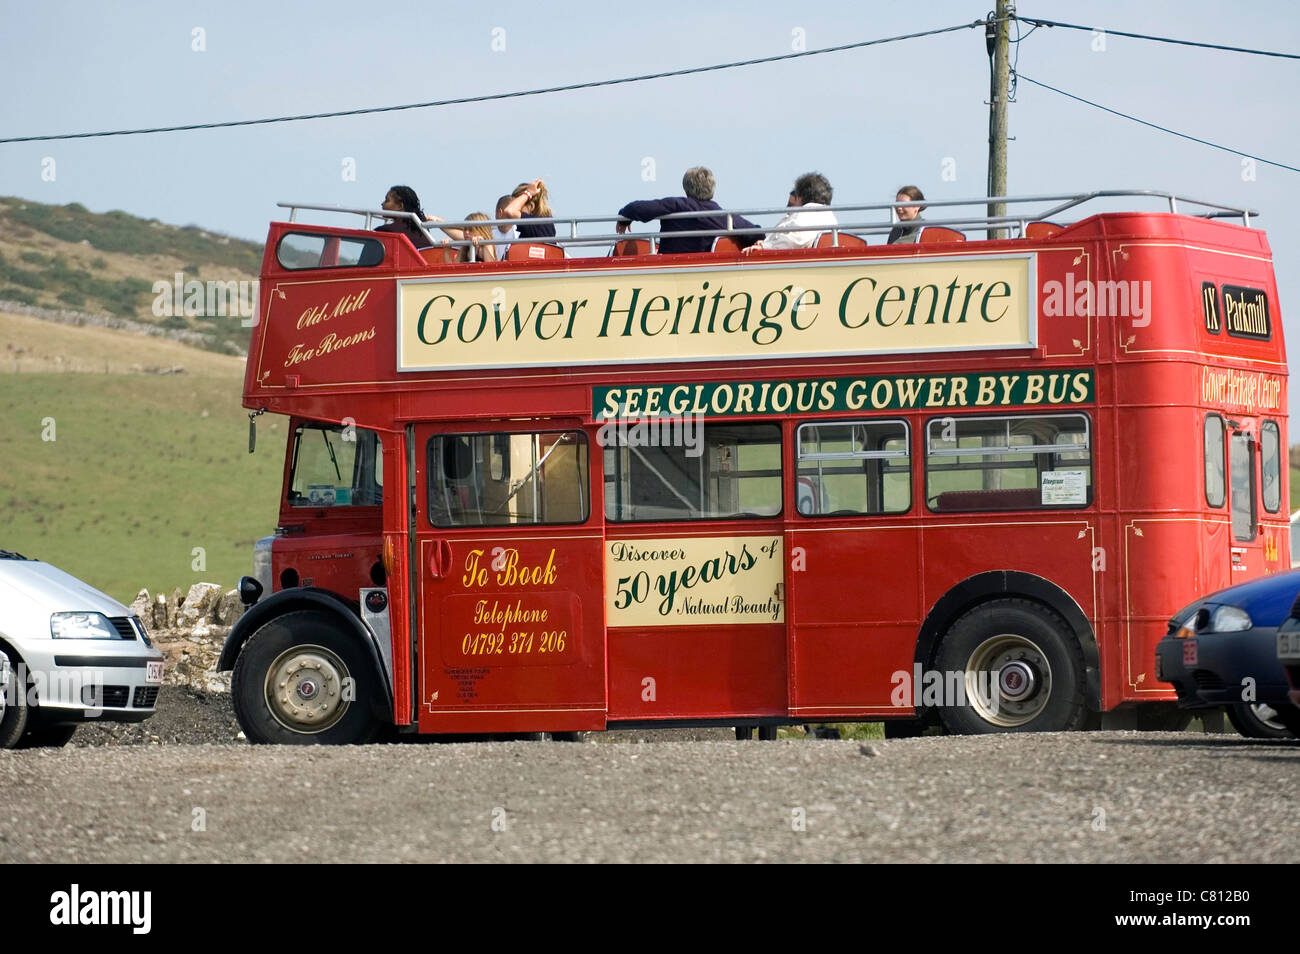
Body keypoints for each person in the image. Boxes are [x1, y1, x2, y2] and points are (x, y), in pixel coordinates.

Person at [616, 167, 761, 254]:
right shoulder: (724, 217)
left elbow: (639, 208)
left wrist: (625, 216)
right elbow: (756, 232)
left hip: (669, 271)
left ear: (686, 188)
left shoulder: (676, 205)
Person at [742, 172, 836, 253]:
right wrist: (766, 243)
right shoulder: (830, 216)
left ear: (800, 197)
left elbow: (796, 239)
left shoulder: (808, 213)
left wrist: (765, 247)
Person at [494, 179, 555, 259]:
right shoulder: (542, 223)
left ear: (531, 206)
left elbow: (509, 211)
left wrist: (528, 193)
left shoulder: (536, 224)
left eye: (519, 206)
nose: (518, 209)